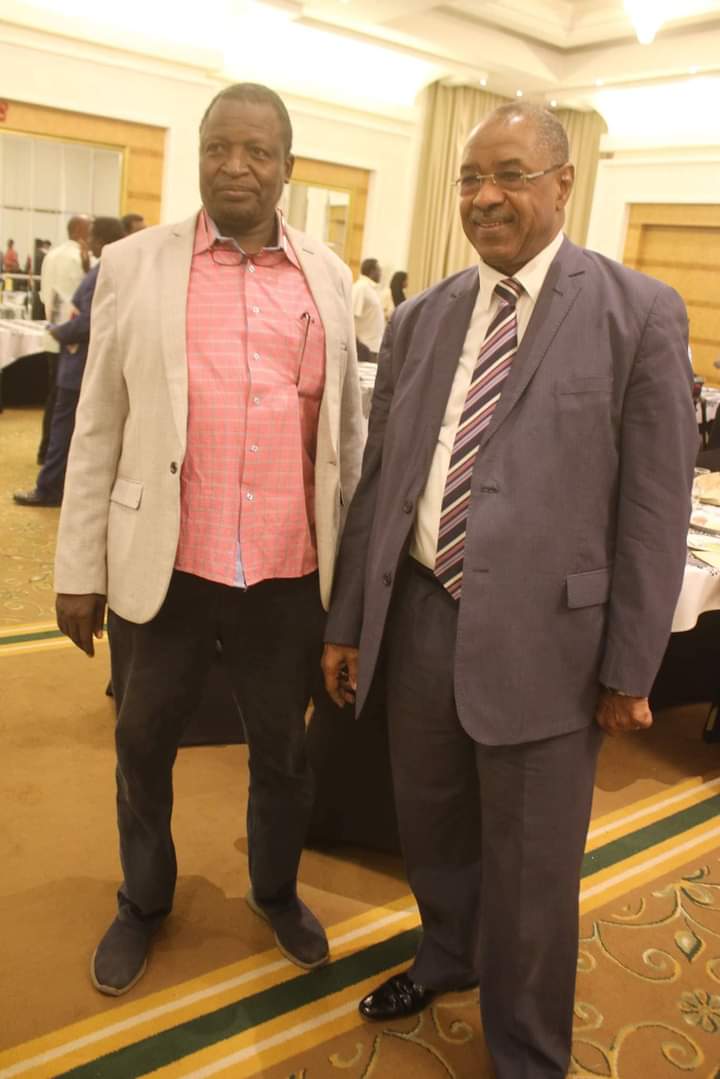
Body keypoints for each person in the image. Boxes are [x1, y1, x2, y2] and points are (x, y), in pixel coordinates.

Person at [322, 102, 697, 1078]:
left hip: (550, 646)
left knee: (534, 873)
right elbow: (383, 484)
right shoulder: (422, 317)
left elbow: (653, 509)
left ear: (564, 182)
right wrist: (351, 620)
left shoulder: (637, 313)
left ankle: (528, 1050)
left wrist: (630, 665)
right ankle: (447, 952)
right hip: (421, 617)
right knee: (430, 822)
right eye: (470, 178)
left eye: (511, 175)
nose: (485, 197)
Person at [54, 82, 363, 997]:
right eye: (219, 148)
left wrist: (351, 590)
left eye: (257, 152)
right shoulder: (136, 265)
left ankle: (275, 889)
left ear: (287, 167)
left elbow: (344, 441)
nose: (236, 167)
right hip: (168, 568)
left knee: (284, 754)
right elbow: (98, 425)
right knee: (142, 744)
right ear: (198, 155)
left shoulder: (328, 277)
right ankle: (143, 898)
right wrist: (78, 568)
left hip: (287, 573)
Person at [13, 217, 126, 508]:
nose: (89, 242)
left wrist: (58, 331)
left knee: (63, 431)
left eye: (93, 237)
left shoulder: (106, 271)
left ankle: (48, 488)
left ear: (102, 240)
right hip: (84, 363)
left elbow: (89, 321)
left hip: (79, 365)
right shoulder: (108, 269)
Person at [37, 216, 92, 464]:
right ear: (80, 229)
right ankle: (56, 454)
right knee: (65, 402)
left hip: (53, 333)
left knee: (54, 397)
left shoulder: (51, 255)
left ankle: (45, 449)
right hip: (73, 340)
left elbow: (43, 294)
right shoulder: (82, 258)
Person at [352, 257, 384, 362]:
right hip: (364, 348)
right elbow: (350, 316)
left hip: (374, 347)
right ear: (372, 271)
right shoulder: (361, 288)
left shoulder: (371, 289)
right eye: (379, 270)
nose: (381, 273)